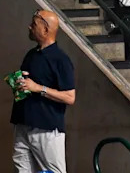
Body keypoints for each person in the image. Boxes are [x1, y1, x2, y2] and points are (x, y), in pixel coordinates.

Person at [11, 10, 75, 173]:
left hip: (46, 127)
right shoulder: (31, 55)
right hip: (22, 123)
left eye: (34, 24)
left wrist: (38, 88)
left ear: (45, 30)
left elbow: (69, 97)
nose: (29, 27)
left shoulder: (61, 60)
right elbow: (28, 84)